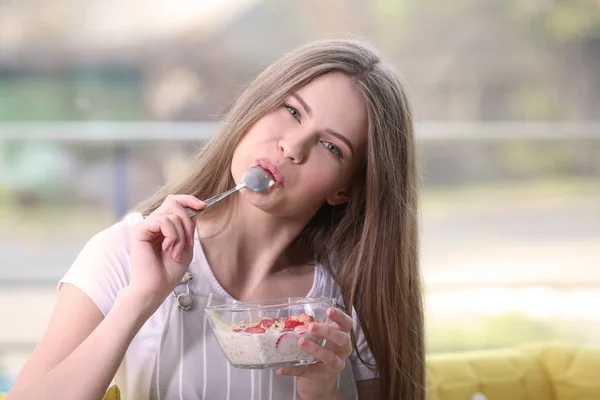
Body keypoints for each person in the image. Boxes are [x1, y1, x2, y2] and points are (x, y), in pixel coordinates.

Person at [7, 39, 425, 400]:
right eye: (292, 112)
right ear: (257, 106)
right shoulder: (127, 253)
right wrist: (139, 300)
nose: (292, 146)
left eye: (331, 147)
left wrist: (323, 393)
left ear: (345, 188)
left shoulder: (353, 291)